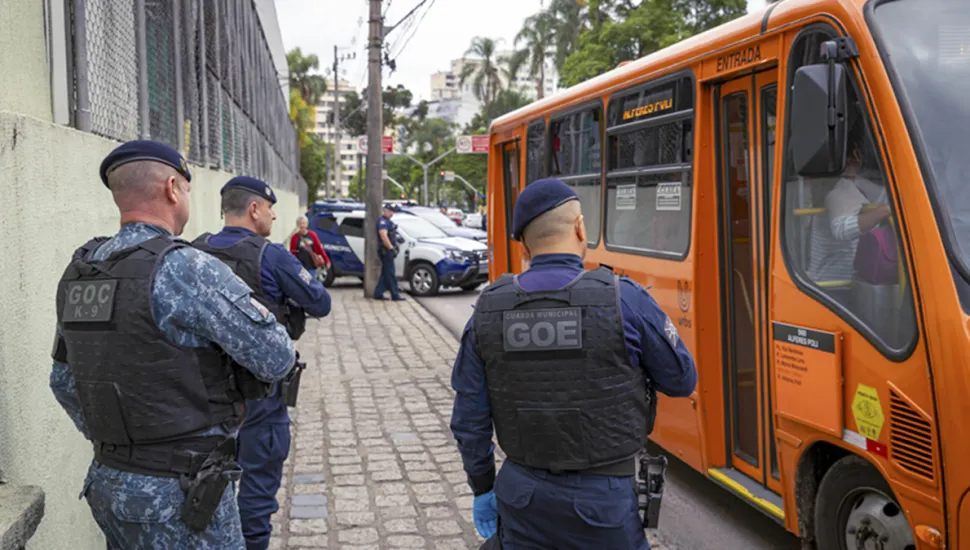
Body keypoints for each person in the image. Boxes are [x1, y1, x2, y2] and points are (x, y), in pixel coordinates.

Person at [50, 140, 296, 548]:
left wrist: (122, 439)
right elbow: (276, 358)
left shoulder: (82, 271)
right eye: (187, 187)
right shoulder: (184, 267)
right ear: (171, 189)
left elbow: (63, 381)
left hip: (108, 481)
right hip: (182, 494)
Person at [450, 178, 698, 549]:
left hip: (522, 498)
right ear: (580, 227)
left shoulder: (489, 309)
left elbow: (470, 419)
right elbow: (682, 379)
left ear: (524, 245)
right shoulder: (622, 298)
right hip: (604, 502)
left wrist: (483, 486)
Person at [192, 177, 332, 550]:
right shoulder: (270, 256)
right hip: (259, 397)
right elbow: (320, 302)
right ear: (254, 209)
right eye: (270, 208)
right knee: (255, 495)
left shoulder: (193, 251)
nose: (273, 215)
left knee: (201, 493)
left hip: (201, 396)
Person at [808, 120, 891, 283]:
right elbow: (841, 229)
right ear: (857, 154)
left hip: (842, 280)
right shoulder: (839, 190)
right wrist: (885, 211)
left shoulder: (857, 186)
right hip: (834, 285)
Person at [375, 204, 405, 301]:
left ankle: (378, 293)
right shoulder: (383, 222)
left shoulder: (389, 222)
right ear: (385, 210)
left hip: (388, 250)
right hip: (386, 250)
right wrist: (391, 248)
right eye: (390, 211)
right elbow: (383, 236)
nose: (392, 213)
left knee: (385, 273)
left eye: (392, 211)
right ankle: (395, 295)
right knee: (390, 273)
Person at [289, 215, 329, 280]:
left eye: (303, 223)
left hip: (312, 265)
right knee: (305, 285)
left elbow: (319, 249)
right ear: (297, 225)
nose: (302, 225)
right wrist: (292, 266)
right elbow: (292, 253)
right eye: (300, 224)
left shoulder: (312, 235)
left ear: (307, 224)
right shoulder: (294, 238)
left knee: (311, 284)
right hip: (300, 268)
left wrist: (326, 260)